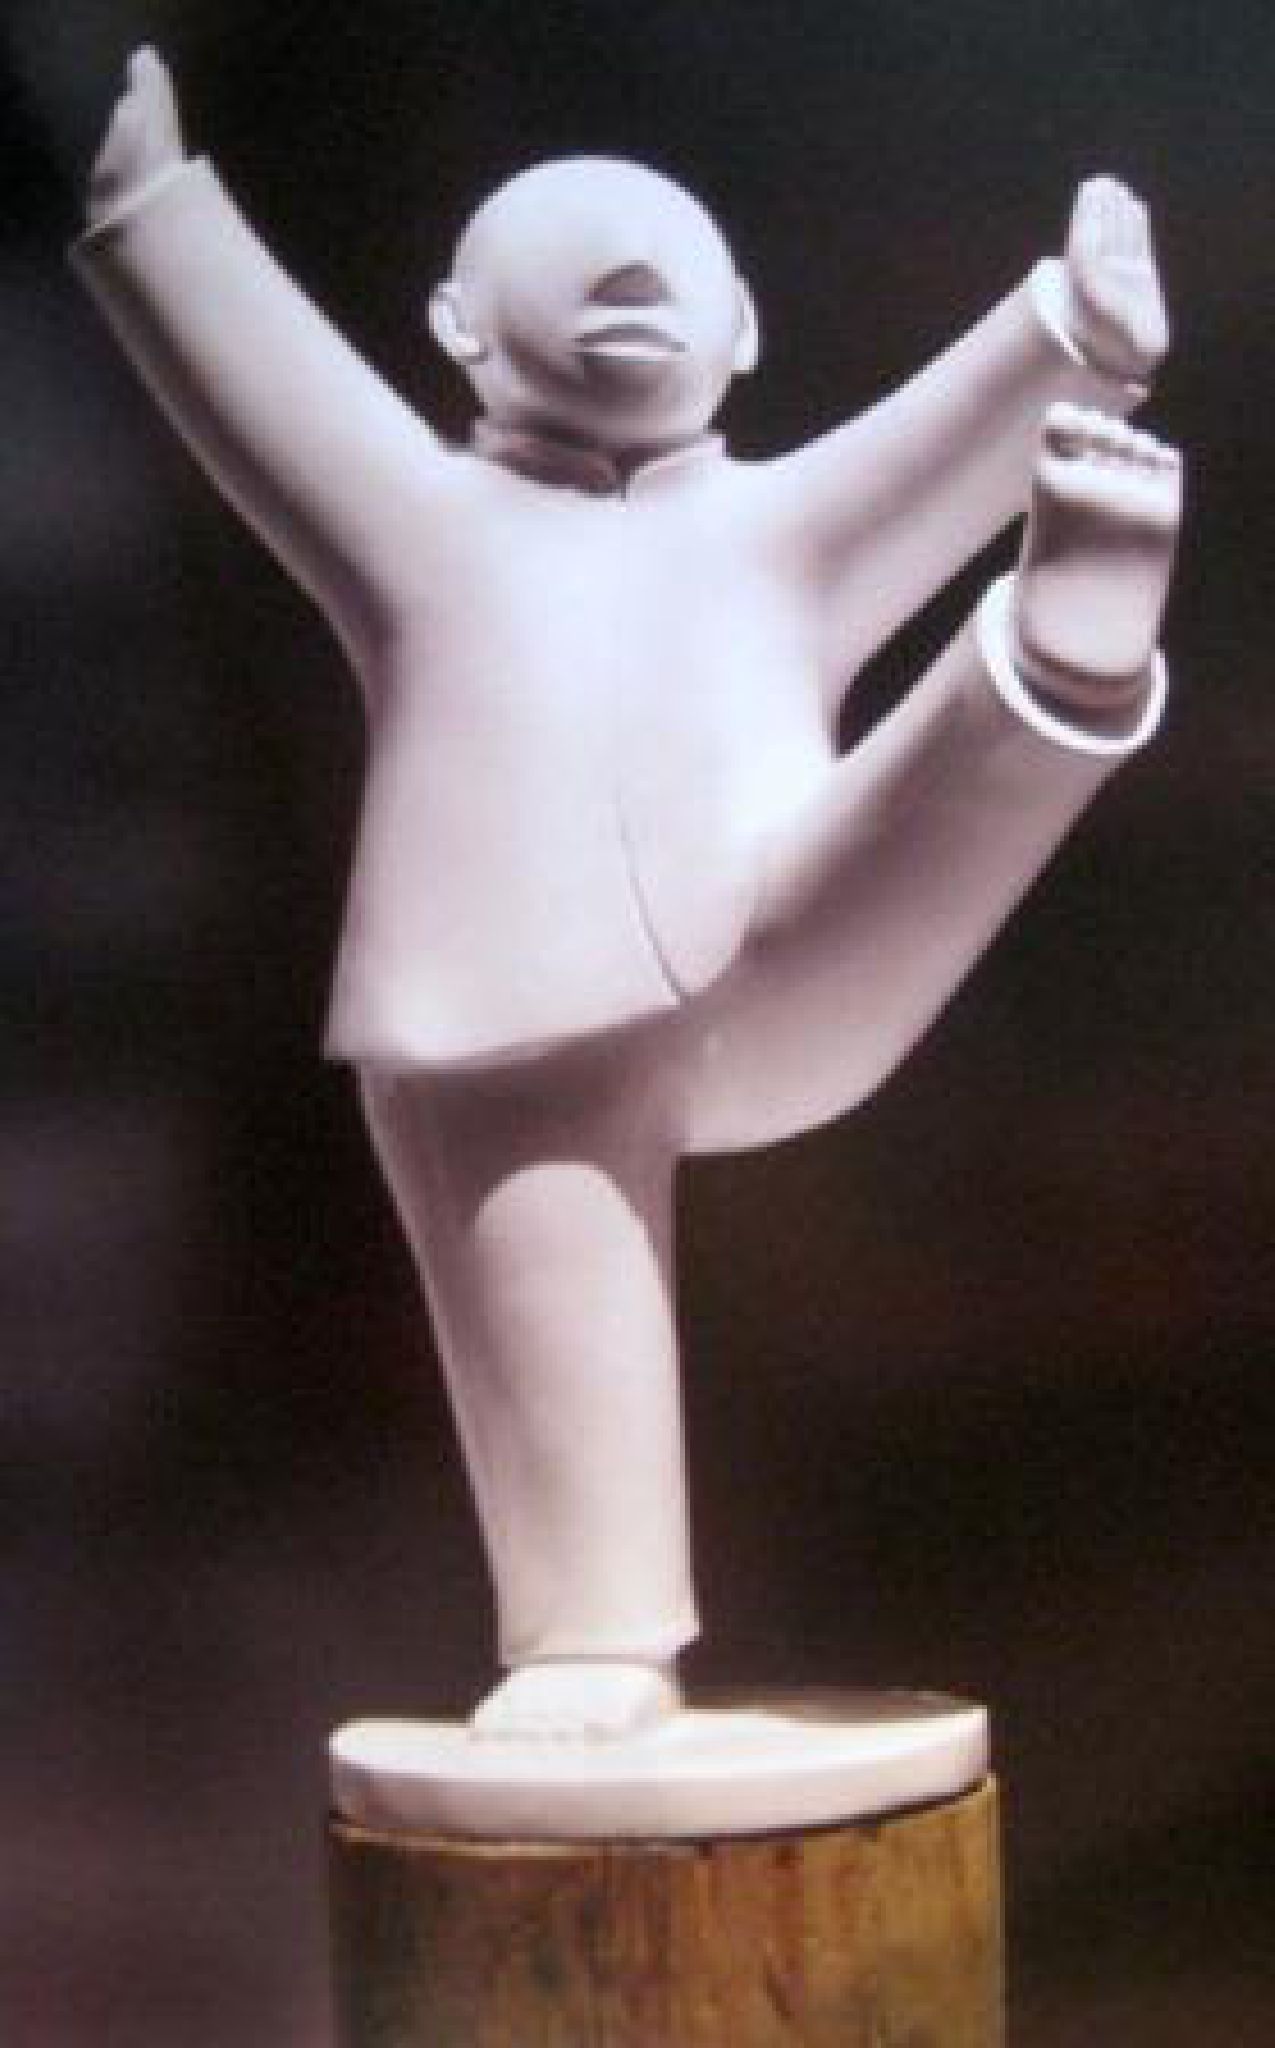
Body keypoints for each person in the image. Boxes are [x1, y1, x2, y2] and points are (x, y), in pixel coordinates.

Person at [77, 49, 1181, 1739]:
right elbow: (273, 394)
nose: (629, 274)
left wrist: (1075, 328)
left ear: (744, 334)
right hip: (503, 1020)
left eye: (669, 268)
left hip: (780, 931)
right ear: (457, 329)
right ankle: (594, 1634)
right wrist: (154, 209)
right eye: (574, 254)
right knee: (557, 1327)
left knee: (920, 810)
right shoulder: (422, 523)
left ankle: (1050, 671)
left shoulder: (777, 530)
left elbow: (936, 444)